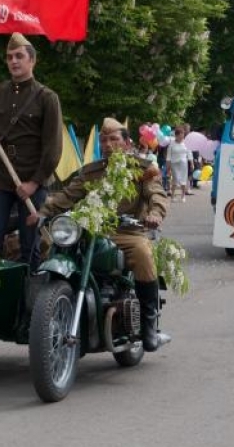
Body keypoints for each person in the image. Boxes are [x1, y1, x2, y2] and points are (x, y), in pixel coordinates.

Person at [29, 117, 168, 351]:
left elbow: (157, 195)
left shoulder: (143, 170)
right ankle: (49, 306)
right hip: (92, 229)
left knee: (143, 253)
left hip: (127, 230)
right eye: (104, 140)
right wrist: (42, 212)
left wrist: (155, 214)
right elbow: (67, 195)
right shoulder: (91, 172)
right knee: (50, 241)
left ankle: (148, 325)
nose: (108, 144)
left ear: (127, 143)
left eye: (114, 139)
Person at [0, 33, 63, 268]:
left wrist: (35, 182)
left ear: (32, 61)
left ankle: (29, 296)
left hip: (32, 179)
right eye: (10, 57)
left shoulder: (47, 98)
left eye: (19, 56)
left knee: (30, 245)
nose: (13, 61)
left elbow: (53, 148)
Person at [166, 126, 191, 202]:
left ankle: (183, 196)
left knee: (183, 180)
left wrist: (192, 162)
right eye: (180, 135)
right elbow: (168, 157)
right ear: (176, 135)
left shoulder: (186, 143)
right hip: (174, 164)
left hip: (183, 164)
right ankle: (173, 196)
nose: (182, 137)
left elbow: (189, 153)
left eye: (183, 135)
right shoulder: (172, 144)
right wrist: (168, 168)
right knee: (175, 180)